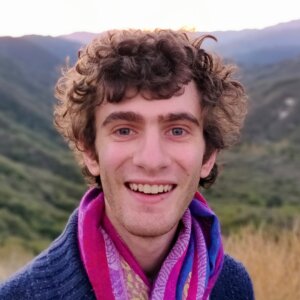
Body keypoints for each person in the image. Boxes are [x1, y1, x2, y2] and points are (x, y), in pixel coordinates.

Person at [0, 29, 254, 299]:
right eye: (124, 130)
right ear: (90, 152)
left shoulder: (232, 286)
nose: (151, 160)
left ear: (208, 155)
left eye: (177, 130)